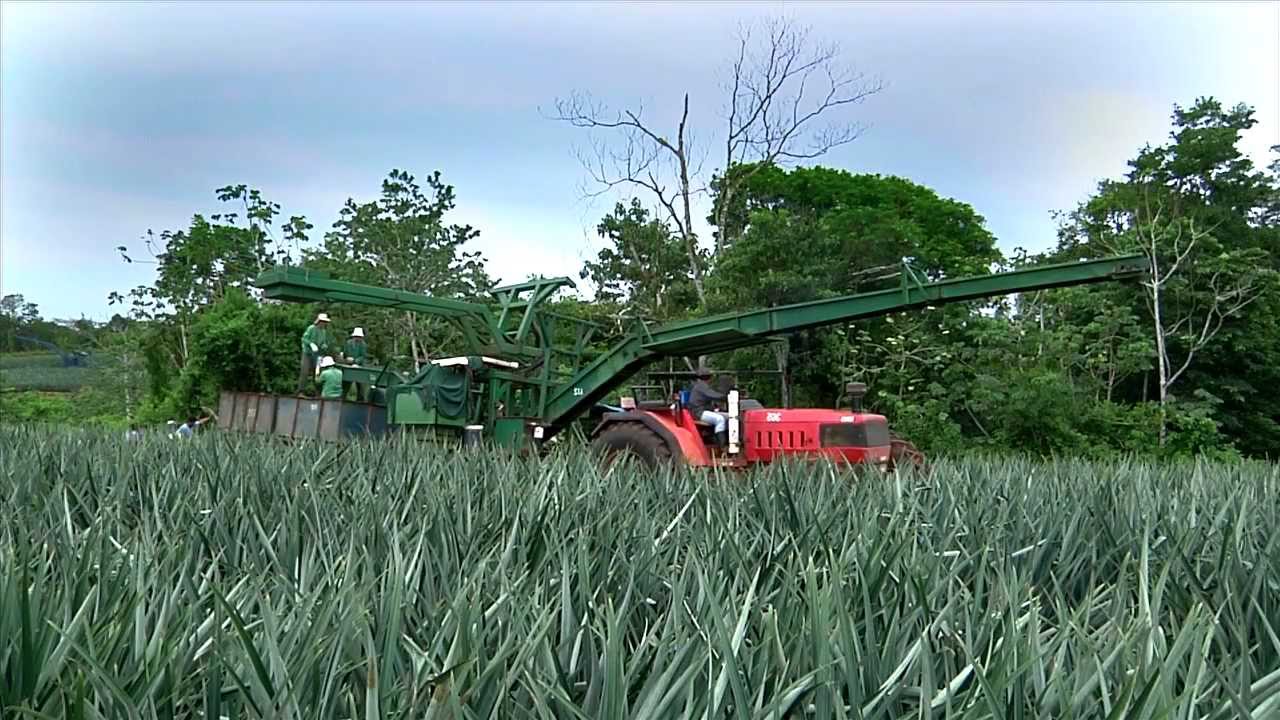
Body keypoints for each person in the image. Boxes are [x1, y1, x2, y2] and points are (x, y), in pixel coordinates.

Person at [688, 366, 729, 448]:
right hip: (699, 413)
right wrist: (727, 396)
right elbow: (713, 395)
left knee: (730, 417)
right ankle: (722, 445)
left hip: (703, 411)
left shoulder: (702, 385)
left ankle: (727, 440)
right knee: (719, 419)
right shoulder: (701, 386)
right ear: (708, 377)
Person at [299, 312, 333, 395]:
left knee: (317, 373)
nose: (324, 324)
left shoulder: (323, 332)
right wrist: (310, 344)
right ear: (319, 321)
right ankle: (301, 391)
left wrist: (324, 345)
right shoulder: (311, 328)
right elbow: (304, 339)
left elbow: (323, 342)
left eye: (325, 322)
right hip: (307, 353)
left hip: (317, 354)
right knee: (305, 372)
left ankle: (317, 393)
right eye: (322, 322)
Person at [343, 327, 368, 401]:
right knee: (346, 383)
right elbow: (345, 353)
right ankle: (343, 398)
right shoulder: (348, 343)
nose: (358, 338)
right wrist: (346, 358)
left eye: (359, 337)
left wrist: (355, 361)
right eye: (356, 336)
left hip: (359, 366)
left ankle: (360, 400)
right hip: (348, 365)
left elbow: (363, 356)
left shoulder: (363, 345)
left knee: (360, 384)